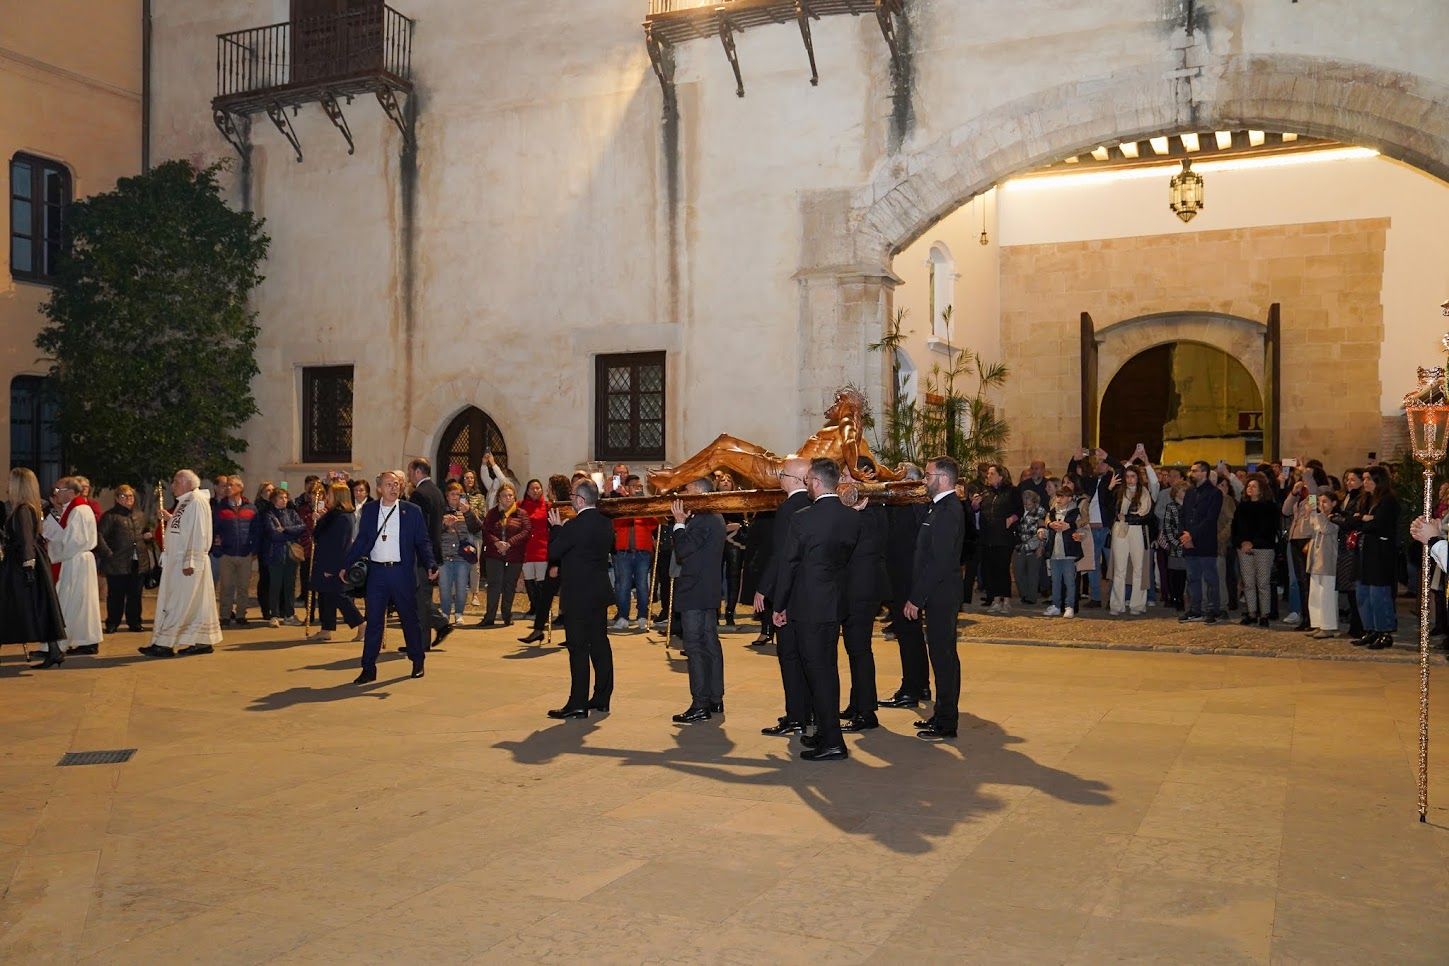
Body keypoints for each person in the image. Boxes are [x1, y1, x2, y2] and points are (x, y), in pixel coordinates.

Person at [771, 458, 860, 761]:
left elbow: (789, 565)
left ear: (817, 483)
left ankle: (833, 741)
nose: (806, 484)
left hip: (808, 604)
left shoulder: (803, 518)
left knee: (817, 672)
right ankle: (825, 730)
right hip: (834, 602)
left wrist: (779, 604)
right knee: (827, 668)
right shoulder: (851, 518)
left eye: (808, 479)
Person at [344, 470, 437, 682]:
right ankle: (368, 668)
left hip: (402, 573)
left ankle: (417, 660)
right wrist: (346, 564)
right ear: (379, 488)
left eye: (396, 484)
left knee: (409, 619)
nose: (393, 488)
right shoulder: (369, 510)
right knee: (374, 621)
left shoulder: (411, 511)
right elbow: (361, 541)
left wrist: (430, 563)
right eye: (388, 484)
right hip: (377, 574)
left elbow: (422, 541)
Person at [902, 456, 967, 741]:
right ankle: (941, 714)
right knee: (939, 656)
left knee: (943, 658)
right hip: (938, 594)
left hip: (942, 595)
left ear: (942, 478)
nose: (924, 480)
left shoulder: (948, 510)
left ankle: (946, 721)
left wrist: (916, 598)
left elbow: (939, 562)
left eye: (927, 475)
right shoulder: (938, 508)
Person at [545, 479, 615, 718]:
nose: (571, 499)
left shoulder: (574, 526)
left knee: (578, 648)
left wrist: (556, 528)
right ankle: (602, 697)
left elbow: (554, 552)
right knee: (600, 644)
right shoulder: (606, 524)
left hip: (578, 595)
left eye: (573, 495)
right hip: (599, 592)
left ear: (580, 500)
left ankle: (578, 702)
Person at [754, 456, 814, 737]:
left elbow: (781, 555)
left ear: (795, 480)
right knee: (808, 657)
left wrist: (764, 589)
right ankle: (810, 710)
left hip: (789, 592)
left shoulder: (789, 507)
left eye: (783, 474)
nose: (779, 477)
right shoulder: (814, 504)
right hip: (810, 593)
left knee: (789, 656)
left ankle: (796, 716)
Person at [139, 469, 224, 658]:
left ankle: (164, 644)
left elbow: (199, 532)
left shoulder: (196, 501)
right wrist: (170, 519)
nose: (173, 486)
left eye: (176, 482)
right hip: (181, 561)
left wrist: (190, 560)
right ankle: (203, 640)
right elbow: (186, 527)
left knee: (178, 602)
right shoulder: (186, 501)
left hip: (188, 563)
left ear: (187, 483)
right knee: (199, 603)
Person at [668, 476, 727, 723]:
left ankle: (700, 703)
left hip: (695, 590)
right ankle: (715, 698)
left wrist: (679, 524)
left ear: (701, 494)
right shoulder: (715, 517)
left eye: (689, 491)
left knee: (694, 646)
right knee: (710, 643)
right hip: (707, 590)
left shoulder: (702, 520)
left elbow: (682, 551)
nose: (684, 496)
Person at [1, 468, 67, 667]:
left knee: (9, 606)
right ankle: (54, 651)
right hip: (29, 562)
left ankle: (54, 651)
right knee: (39, 606)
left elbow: (27, 540)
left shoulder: (22, 509)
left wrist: (28, 567)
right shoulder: (30, 507)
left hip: (22, 564)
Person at [840, 482, 887, 732]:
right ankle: (857, 702)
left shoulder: (869, 516)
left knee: (860, 651)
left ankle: (866, 712)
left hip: (862, 592)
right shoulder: (862, 514)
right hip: (855, 591)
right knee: (855, 650)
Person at [42, 476, 103, 657]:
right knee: (81, 604)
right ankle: (86, 641)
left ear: (70, 492)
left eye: (58, 490)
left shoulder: (79, 510)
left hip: (76, 561)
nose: (55, 494)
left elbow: (73, 542)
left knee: (71, 603)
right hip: (76, 560)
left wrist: (49, 547)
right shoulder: (75, 509)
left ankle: (61, 644)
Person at [1346, 465, 1398, 650]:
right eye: (1365, 478)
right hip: (1364, 552)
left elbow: (1379, 525)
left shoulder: (1388, 500)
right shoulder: (1365, 499)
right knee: (1363, 594)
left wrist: (1364, 520)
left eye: (1369, 478)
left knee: (1378, 594)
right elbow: (1352, 521)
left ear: (1378, 480)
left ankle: (1384, 631)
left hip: (1379, 554)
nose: (1365, 482)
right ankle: (1370, 629)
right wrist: (1363, 519)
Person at [308, 482, 364, 643]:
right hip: (324, 560)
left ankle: (361, 623)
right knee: (326, 596)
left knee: (338, 595)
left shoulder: (343, 517)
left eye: (330, 494)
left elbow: (340, 545)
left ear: (338, 497)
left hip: (332, 563)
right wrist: (319, 519)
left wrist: (332, 568)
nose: (327, 497)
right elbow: (319, 536)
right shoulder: (332, 515)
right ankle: (326, 629)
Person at [407, 457, 453, 649]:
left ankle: (423, 641)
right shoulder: (436, 491)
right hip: (433, 551)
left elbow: (419, 528)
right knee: (420, 598)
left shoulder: (419, 494)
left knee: (420, 599)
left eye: (410, 471)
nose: (409, 475)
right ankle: (430, 634)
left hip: (421, 555)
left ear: (418, 472)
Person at [98, 484, 154, 634]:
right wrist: (109, 555)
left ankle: (134, 622)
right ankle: (112, 623)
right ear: (117, 498)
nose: (128, 499)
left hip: (138, 560)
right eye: (124, 496)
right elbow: (99, 536)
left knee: (135, 595)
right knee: (116, 595)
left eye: (130, 496)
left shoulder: (139, 515)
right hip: (117, 562)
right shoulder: (110, 516)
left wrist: (148, 537)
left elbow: (145, 532)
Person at [478, 482, 530, 626]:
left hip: (514, 555)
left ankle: (507, 615)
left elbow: (526, 531)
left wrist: (509, 543)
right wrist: (497, 543)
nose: (507, 498)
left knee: (509, 586)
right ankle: (490, 617)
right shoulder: (493, 513)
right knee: (494, 585)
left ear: (514, 497)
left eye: (510, 495)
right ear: (499, 498)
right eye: (504, 495)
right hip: (494, 555)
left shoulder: (521, 514)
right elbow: (486, 530)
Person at [1108, 463, 1157, 615]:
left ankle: (1137, 605)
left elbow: (1146, 514)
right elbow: (1109, 509)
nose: (1130, 480)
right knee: (1119, 569)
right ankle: (1117, 605)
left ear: (1138, 478)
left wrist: (1128, 517)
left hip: (1137, 530)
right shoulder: (1118, 491)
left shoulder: (1144, 493)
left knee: (1138, 569)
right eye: (1127, 477)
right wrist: (1109, 489)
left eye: (1133, 476)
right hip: (1120, 529)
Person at [1178, 460, 1223, 623]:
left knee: (1210, 578)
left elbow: (1210, 519)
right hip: (1189, 541)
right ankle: (1195, 609)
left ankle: (1212, 609)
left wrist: (1192, 535)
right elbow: (1183, 515)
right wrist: (1184, 535)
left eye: (1195, 470)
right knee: (1192, 577)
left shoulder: (1214, 493)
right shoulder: (1190, 492)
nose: (1191, 473)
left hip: (1205, 541)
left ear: (1204, 473)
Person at [973, 464, 1021, 613]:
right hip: (987, 536)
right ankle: (994, 599)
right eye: (988, 473)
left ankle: (1006, 600)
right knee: (989, 569)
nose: (988, 476)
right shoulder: (986, 492)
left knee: (1002, 567)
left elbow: (1020, 510)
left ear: (1001, 476)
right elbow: (976, 510)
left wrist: (1011, 519)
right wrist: (975, 504)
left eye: (992, 473)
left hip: (1004, 536)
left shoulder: (1012, 491)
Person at [1232, 473, 1278, 628]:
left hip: (1263, 548)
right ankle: (1251, 613)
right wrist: (1241, 542)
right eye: (1248, 486)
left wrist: (1253, 542)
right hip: (1243, 548)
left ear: (1261, 489)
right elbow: (1236, 528)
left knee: (1263, 583)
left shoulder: (1270, 507)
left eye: (1254, 486)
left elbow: (1269, 528)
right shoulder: (1242, 506)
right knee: (1248, 583)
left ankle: (1264, 614)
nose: (1250, 488)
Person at [610, 475, 655, 632]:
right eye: (633, 486)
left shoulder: (645, 504)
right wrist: (627, 505)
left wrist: (642, 507)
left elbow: (652, 524)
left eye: (638, 485)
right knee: (623, 585)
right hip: (623, 551)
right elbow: (615, 524)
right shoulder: (621, 503)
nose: (636, 488)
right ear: (627, 488)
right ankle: (623, 617)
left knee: (643, 585)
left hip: (643, 551)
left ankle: (642, 615)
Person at [211, 475, 256, 627]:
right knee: (226, 587)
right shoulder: (220, 508)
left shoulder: (250, 508)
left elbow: (256, 530)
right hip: (227, 553)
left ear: (240, 488)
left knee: (243, 587)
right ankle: (224, 615)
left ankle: (241, 614)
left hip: (245, 553)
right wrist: (217, 547)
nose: (228, 488)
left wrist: (253, 547)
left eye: (231, 485)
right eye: (227, 485)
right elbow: (213, 529)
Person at [258, 487, 304, 628]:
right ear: (273, 500)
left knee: (290, 586)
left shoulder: (292, 513)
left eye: (285, 497)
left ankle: (289, 614)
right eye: (280, 498)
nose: (284, 500)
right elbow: (273, 535)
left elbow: (301, 527)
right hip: (275, 554)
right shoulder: (269, 515)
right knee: (275, 585)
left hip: (291, 555)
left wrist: (285, 529)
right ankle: (274, 615)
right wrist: (290, 533)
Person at [436, 482, 480, 626]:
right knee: (444, 587)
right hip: (445, 555)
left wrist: (468, 513)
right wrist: (444, 525)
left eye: (459, 494)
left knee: (462, 587)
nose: (455, 497)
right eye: (453, 494)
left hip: (462, 556)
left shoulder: (466, 510)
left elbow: (478, 528)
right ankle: (445, 612)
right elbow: (434, 532)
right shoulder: (440, 511)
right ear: (447, 496)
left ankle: (459, 612)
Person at [517, 478, 554, 644]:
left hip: (541, 547)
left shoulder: (547, 505)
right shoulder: (520, 505)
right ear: (527, 490)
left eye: (538, 488)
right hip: (526, 547)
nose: (535, 491)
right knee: (529, 580)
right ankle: (535, 607)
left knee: (541, 581)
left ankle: (541, 612)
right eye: (532, 488)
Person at [1042, 482, 1082, 617]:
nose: (1059, 499)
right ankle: (1056, 605)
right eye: (1058, 496)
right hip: (1054, 551)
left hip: (1068, 551)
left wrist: (1071, 528)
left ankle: (1069, 605)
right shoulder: (1052, 512)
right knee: (1055, 580)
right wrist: (1048, 526)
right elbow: (1047, 525)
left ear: (1070, 498)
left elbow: (1081, 528)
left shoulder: (1075, 512)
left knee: (1069, 581)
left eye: (1062, 496)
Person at [1306, 490, 1341, 639]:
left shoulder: (1335, 518)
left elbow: (1326, 529)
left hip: (1328, 562)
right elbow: (1313, 519)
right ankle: (1318, 623)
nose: (1322, 504)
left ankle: (1328, 626)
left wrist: (1318, 513)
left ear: (1334, 503)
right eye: (1320, 501)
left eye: (1325, 501)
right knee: (1315, 594)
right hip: (1316, 561)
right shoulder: (1319, 517)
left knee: (1327, 595)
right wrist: (1312, 499)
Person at [1012, 489, 1046, 607]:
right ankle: (1024, 594)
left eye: (1028, 500)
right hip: (1019, 546)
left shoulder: (1040, 511)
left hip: (1033, 546)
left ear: (1035, 501)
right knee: (1018, 572)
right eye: (1024, 500)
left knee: (1033, 573)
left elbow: (1042, 529)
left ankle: (1031, 597)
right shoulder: (1020, 511)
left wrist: (1041, 547)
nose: (1026, 503)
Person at [252, 481, 276, 620]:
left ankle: (275, 608)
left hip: (275, 546)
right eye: (268, 490)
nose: (271, 493)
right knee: (265, 578)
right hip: (264, 547)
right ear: (261, 493)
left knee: (275, 579)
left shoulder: (275, 506)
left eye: (273, 490)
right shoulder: (259, 507)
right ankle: (265, 608)